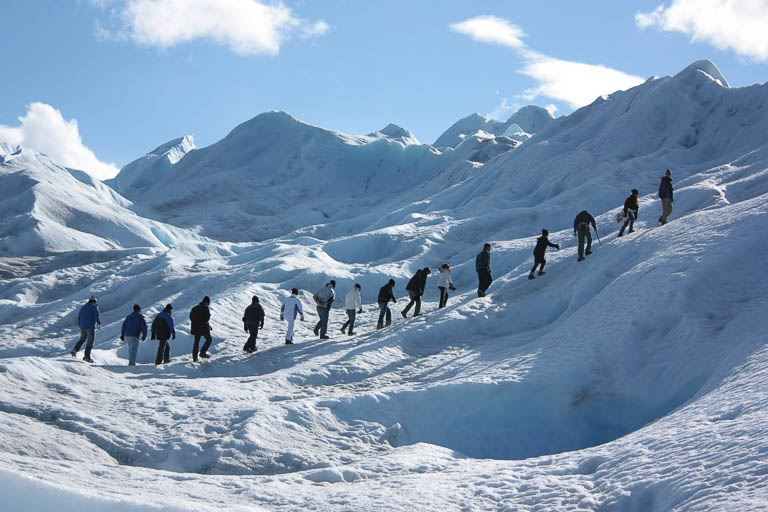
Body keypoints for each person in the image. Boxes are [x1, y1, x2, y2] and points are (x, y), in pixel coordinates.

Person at [70, 296, 101, 363]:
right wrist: (98, 323)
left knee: (82, 339)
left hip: (82, 327)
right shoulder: (94, 306)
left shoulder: (83, 307)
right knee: (90, 342)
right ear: (94, 301)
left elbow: (79, 317)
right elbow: (96, 315)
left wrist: (81, 326)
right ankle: (87, 357)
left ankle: (74, 350)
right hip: (90, 327)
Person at [190, 296, 213, 361]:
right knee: (209, 339)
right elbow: (206, 319)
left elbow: (191, 317)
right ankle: (202, 353)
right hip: (203, 328)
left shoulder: (194, 308)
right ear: (207, 302)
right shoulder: (205, 308)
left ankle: (195, 358)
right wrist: (208, 326)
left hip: (195, 328)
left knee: (196, 342)